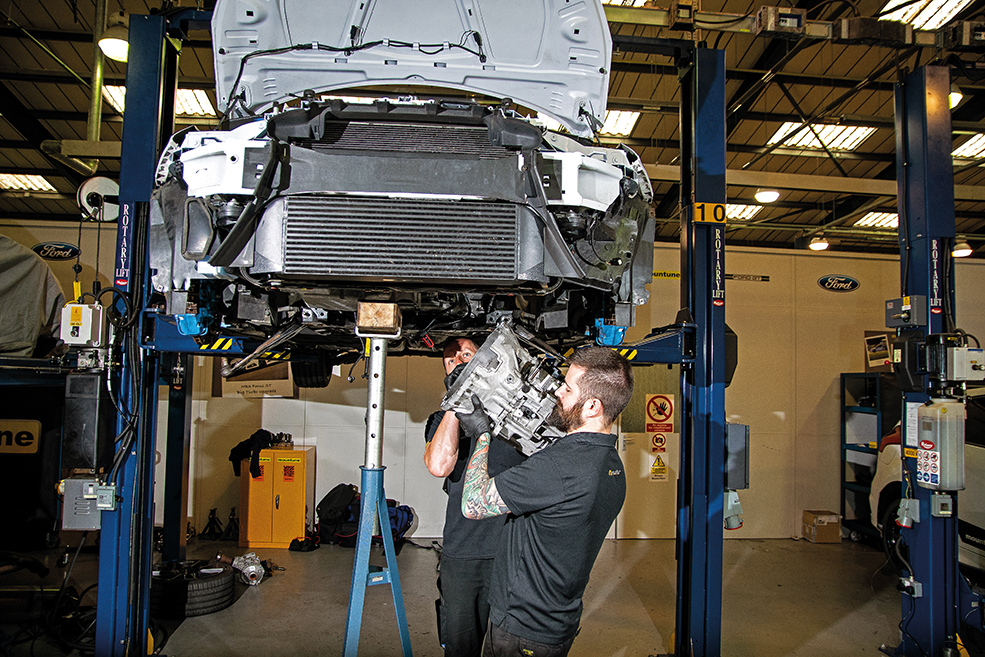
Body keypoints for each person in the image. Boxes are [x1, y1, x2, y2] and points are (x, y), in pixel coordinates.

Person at [457, 345, 633, 657]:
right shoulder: (611, 464)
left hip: (521, 629)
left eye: (568, 388)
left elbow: (473, 503)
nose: (558, 392)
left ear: (592, 406)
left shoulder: (560, 467)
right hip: (557, 623)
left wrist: (482, 435)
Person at [424, 337, 526, 657]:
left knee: (511, 646)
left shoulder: (516, 415)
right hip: (464, 553)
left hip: (513, 552)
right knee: (461, 646)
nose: (459, 362)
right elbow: (439, 466)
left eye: (467, 354)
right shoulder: (441, 420)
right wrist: (457, 401)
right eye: (451, 361)